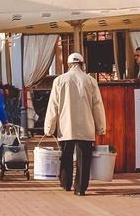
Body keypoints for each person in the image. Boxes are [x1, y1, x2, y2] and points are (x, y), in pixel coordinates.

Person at [45, 52, 107, 196]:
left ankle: (66, 183)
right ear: (82, 64)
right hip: (86, 125)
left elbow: (53, 105)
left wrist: (49, 127)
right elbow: (97, 106)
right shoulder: (90, 81)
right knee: (84, 158)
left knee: (66, 155)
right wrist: (101, 127)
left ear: (68, 64)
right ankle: (80, 188)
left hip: (66, 125)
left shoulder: (59, 81)